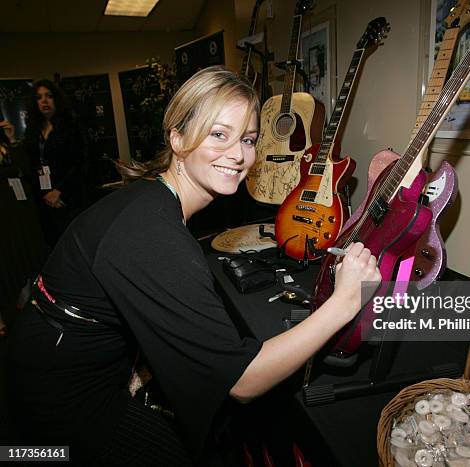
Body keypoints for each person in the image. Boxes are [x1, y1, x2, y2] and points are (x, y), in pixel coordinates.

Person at [6, 66, 381, 465]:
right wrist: (345, 301)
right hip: (60, 390)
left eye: (249, 139)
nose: (239, 155)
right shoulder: (154, 235)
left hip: (64, 356)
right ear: (178, 137)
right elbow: (244, 381)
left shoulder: (151, 200)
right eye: (219, 134)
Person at [23, 79, 88, 248]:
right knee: (52, 245)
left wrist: (59, 191)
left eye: (49, 96)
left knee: (75, 243)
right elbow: (30, 164)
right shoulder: (32, 130)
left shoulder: (71, 126)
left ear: (56, 99)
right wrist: (45, 194)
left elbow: (81, 162)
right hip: (43, 199)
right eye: (39, 97)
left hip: (69, 197)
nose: (44, 101)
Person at [0, 118, 47, 337]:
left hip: (19, 211)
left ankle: (26, 302)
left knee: (25, 253)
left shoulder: (7, 146)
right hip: (5, 215)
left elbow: (22, 170)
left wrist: (10, 139)